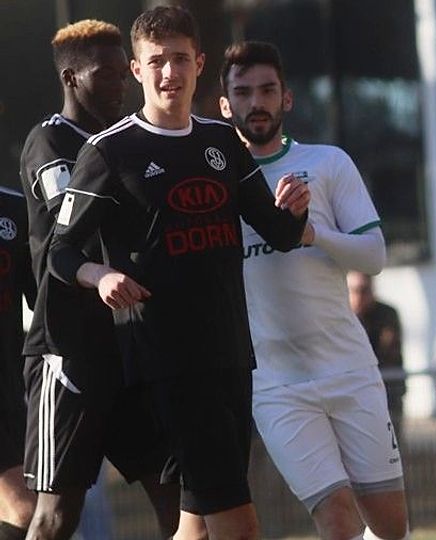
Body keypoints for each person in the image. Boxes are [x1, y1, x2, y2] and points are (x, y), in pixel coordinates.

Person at [47, 8, 310, 540]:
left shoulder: (222, 141)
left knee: (197, 520)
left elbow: (280, 234)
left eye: (181, 59)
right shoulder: (109, 150)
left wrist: (294, 209)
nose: (170, 72)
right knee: (237, 521)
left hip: (231, 351)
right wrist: (100, 276)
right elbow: (60, 252)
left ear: (199, 64)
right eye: (157, 61)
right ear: (137, 70)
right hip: (167, 361)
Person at [219, 41, 409, 540]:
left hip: (350, 370)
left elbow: (374, 256)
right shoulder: (215, 184)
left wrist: (310, 233)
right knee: (337, 519)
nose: (256, 103)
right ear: (225, 105)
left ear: (287, 98)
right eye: (243, 92)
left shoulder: (327, 163)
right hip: (276, 385)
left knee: (389, 525)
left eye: (267, 90)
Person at [18, 20, 182, 540]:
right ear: (71, 78)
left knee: (176, 495)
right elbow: (72, 229)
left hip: (130, 346)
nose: (121, 84)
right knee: (56, 514)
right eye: (106, 74)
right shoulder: (49, 140)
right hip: (70, 353)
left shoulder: (128, 140)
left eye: (122, 73)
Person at [0, 186, 35, 540]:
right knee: (24, 509)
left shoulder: (14, 209)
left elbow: (42, 302)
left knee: (36, 510)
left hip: (10, 394)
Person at [348, 271, 407, 440]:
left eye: (364, 290)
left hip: (387, 393)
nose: (359, 296)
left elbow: (386, 351)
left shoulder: (387, 315)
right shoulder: (344, 319)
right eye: (354, 290)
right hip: (354, 397)